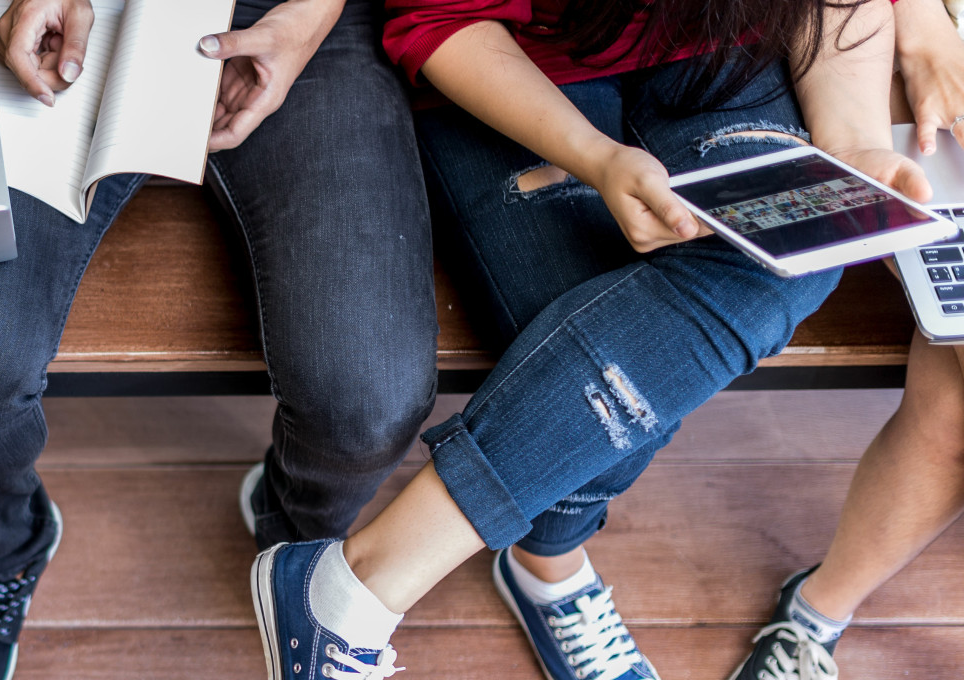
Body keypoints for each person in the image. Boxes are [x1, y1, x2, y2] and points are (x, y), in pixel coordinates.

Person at [248, 0, 931, 678]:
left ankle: (367, 580)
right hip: (513, 60)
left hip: (729, 48)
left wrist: (856, 145)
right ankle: (546, 564)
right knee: (571, 361)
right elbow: (440, 15)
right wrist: (596, 159)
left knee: (775, 269)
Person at [0, 0, 440, 677]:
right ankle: (1, 550)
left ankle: (292, 533)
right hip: (85, 12)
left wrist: (313, 17)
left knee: (369, 397)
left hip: (294, 15)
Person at [728, 2, 964, 677]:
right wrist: (921, 27)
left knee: (951, 413)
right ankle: (815, 613)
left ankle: (815, 613)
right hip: (909, 66)